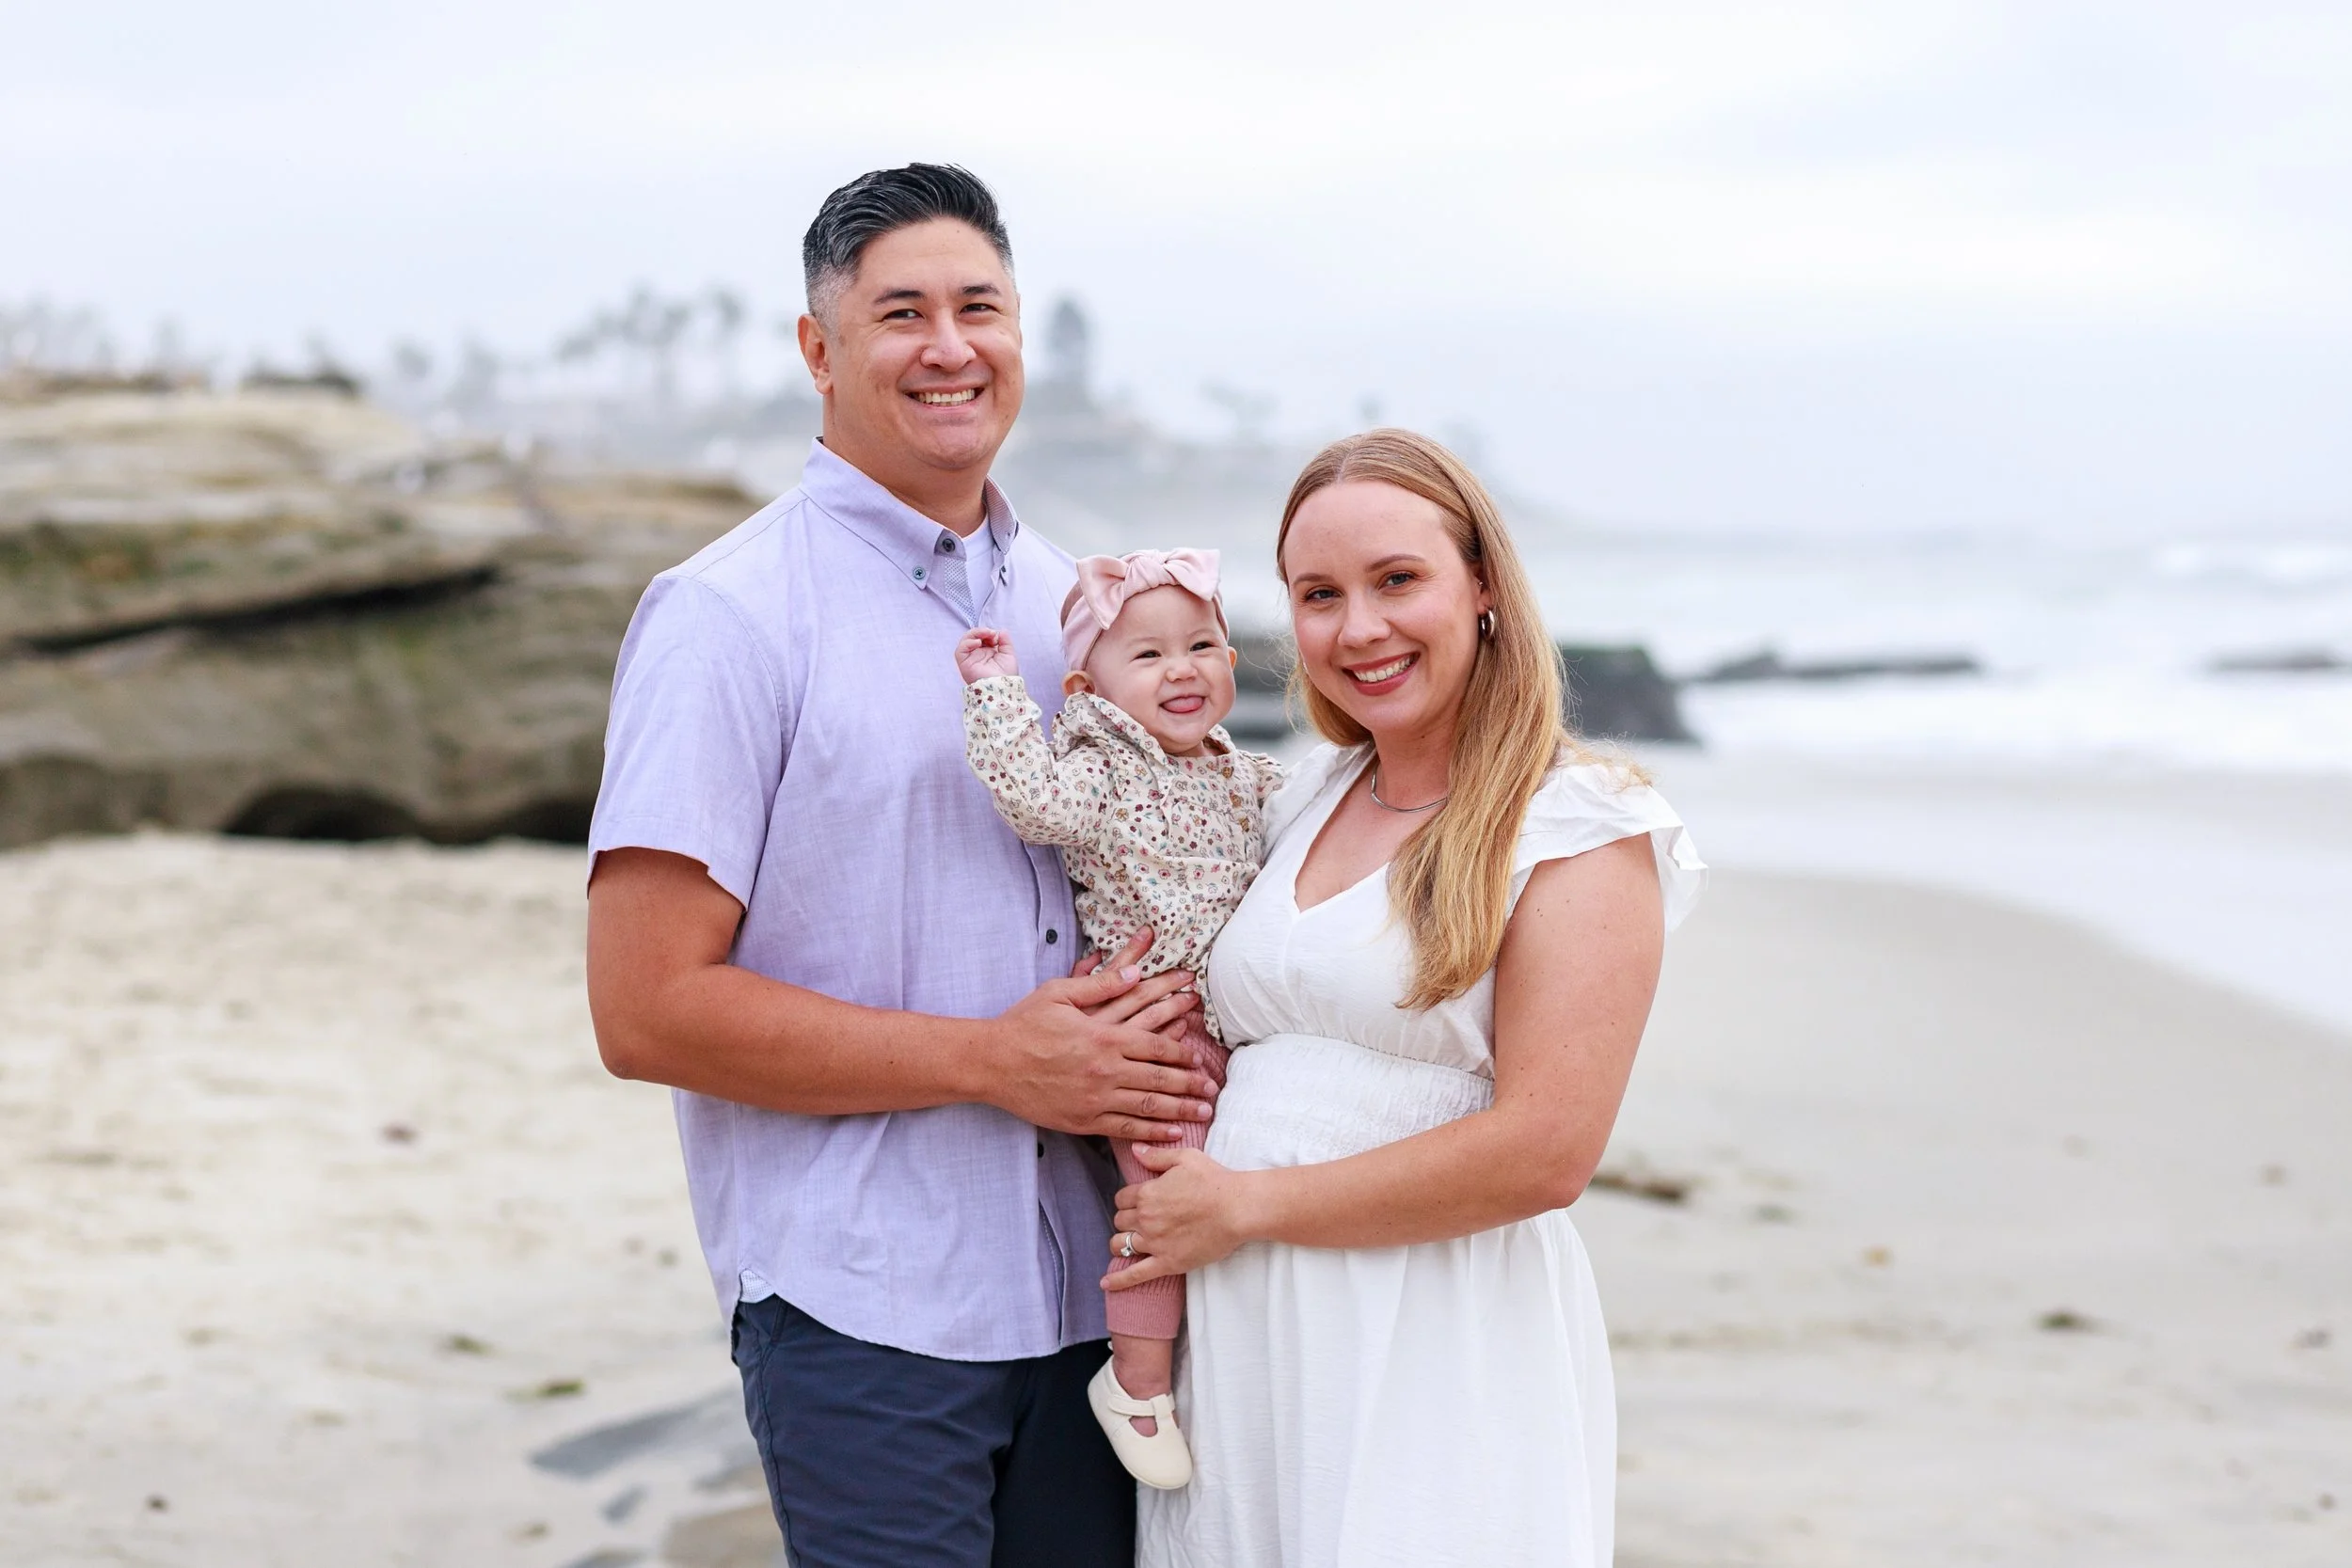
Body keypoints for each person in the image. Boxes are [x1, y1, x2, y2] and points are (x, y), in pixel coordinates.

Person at [582, 164, 1222, 1568]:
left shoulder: (1082, 612)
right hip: (861, 1303)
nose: (950, 346)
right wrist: (992, 1059)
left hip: (1102, 1301)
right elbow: (644, 1010)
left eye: (979, 307)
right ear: (819, 351)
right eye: (901, 313)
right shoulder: (725, 616)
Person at [1120, 430, 1708, 1567]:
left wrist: (1248, 1205)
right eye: (1318, 594)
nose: (1358, 629)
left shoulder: (1577, 824)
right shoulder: (1299, 796)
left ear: (1482, 585)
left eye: (1397, 579)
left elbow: (1546, 1151)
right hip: (1241, 1334)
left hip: (1429, 1329)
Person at [956, 547, 1285, 1488]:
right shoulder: (1103, 766)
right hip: (1146, 1028)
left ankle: (1205, 1357)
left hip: (1226, 1024)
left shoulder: (1238, 772)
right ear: (1086, 689)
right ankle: (1136, 1383)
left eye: (1202, 645)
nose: (1182, 668)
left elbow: (1326, 811)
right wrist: (995, 692)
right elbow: (1032, 801)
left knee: (1226, 1187)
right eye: (1148, 654)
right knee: (1168, 1192)